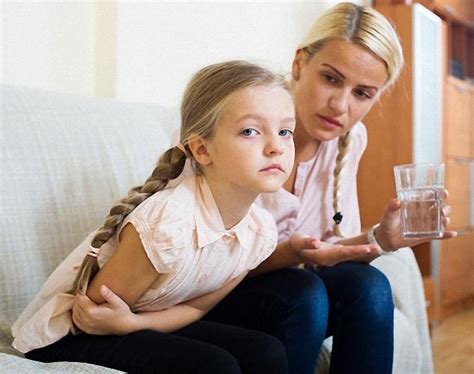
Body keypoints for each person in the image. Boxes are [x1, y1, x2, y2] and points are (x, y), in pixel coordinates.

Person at [70, 3, 456, 374]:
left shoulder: (350, 139)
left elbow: (324, 248)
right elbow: (198, 263)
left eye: (362, 93)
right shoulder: (231, 132)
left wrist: (380, 238)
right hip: (206, 295)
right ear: (299, 62)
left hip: (273, 286)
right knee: (303, 291)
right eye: (331, 78)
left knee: (369, 284)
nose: (340, 105)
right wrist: (287, 254)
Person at [12, 60, 377, 374]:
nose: (276, 146)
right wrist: (128, 322)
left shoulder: (258, 232)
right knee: (214, 366)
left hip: (140, 320)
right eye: (250, 131)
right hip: (76, 333)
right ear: (202, 149)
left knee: (266, 352)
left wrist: (136, 323)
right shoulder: (167, 225)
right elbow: (91, 315)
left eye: (284, 131)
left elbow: (198, 306)